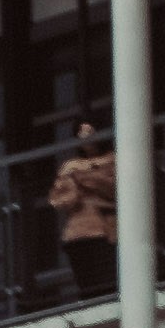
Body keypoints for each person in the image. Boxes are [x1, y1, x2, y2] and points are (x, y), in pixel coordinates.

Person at [51, 110, 118, 300]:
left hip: (106, 230)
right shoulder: (70, 166)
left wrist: (85, 179)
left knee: (109, 285)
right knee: (88, 288)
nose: (85, 138)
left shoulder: (114, 159)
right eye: (80, 133)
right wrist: (80, 183)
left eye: (89, 132)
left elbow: (116, 189)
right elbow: (60, 199)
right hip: (78, 234)